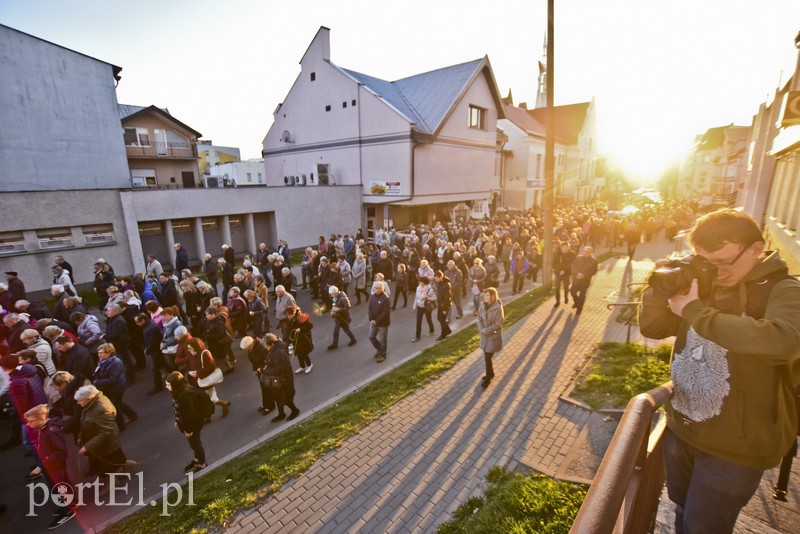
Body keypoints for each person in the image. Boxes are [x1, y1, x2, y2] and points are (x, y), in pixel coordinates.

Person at [638, 209, 800, 534]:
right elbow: (653, 326)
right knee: (682, 509)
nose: (717, 271)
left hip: (736, 449)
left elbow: (784, 340)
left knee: (704, 527)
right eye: (705, 260)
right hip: (682, 428)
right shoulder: (705, 281)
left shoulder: (784, 290)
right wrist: (661, 287)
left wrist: (696, 310)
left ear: (757, 248)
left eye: (725, 261)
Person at [24, 404, 77, 529]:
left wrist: (43, 463)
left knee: (58, 487)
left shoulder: (50, 431)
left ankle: (67, 510)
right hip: (52, 466)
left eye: (30, 421)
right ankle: (72, 502)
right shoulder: (43, 428)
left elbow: (60, 451)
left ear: (40, 418)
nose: (28, 424)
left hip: (55, 466)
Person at [74, 385, 135, 478]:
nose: (78, 403)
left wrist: (88, 446)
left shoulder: (101, 408)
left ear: (89, 398)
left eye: (80, 400)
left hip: (106, 442)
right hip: (102, 443)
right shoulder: (91, 405)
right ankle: (125, 466)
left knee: (105, 467)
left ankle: (113, 481)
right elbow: (86, 422)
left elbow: (105, 431)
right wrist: (80, 436)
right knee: (114, 459)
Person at [165, 371, 209, 474]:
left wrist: (188, 430)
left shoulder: (185, 396)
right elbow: (180, 410)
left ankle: (201, 464)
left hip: (193, 426)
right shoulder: (179, 392)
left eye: (168, 385)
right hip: (189, 426)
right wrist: (178, 421)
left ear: (175, 385)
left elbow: (190, 416)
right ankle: (197, 460)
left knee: (196, 444)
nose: (166, 387)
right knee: (193, 444)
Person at [93, 343, 138, 431]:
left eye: (101, 353)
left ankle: (121, 426)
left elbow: (113, 379)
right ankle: (132, 414)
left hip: (117, 387)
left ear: (108, 353)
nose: (99, 355)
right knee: (118, 403)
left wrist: (98, 382)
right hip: (111, 387)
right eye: (98, 353)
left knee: (115, 405)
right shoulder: (103, 361)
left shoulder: (116, 363)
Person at [259, 333, 300, 422]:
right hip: (278, 379)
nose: (265, 348)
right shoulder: (275, 349)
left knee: (286, 397)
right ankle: (281, 413)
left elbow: (278, 369)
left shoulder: (278, 353)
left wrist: (264, 370)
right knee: (278, 396)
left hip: (283, 378)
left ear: (272, 344)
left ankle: (294, 410)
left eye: (266, 346)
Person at [185, 337, 231, 417]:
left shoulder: (205, 353)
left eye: (190, 348)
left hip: (206, 380)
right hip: (201, 380)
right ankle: (221, 405)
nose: (188, 350)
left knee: (208, 399)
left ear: (195, 346)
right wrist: (192, 372)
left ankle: (222, 405)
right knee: (208, 398)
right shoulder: (193, 354)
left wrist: (197, 372)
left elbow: (211, 367)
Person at [476, 287, 504, 388]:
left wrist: (486, 331)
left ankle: (488, 378)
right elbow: (479, 319)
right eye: (485, 295)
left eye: (487, 295)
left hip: (493, 336)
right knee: (487, 356)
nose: (485, 297)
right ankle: (491, 374)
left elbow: (498, 323)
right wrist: (482, 329)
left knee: (488, 357)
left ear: (492, 296)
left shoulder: (498, 308)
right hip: (485, 335)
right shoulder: (483, 305)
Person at [569, 246, 599, 314]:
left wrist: (584, 275)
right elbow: (573, 266)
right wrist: (577, 273)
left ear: (591, 253)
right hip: (576, 279)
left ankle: (579, 308)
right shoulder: (578, 258)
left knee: (582, 295)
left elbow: (593, 271)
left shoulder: (594, 261)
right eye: (585, 251)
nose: (586, 253)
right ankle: (576, 302)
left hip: (585, 281)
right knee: (572, 291)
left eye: (588, 252)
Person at [286, 306, 314, 374]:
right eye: (287, 315)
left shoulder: (301, 317)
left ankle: (309, 364)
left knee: (303, 353)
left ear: (294, 313)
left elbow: (310, 326)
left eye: (290, 315)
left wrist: (300, 329)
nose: (288, 317)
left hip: (304, 339)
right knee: (298, 353)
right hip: (297, 339)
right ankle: (302, 366)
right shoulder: (291, 320)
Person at [327, 286, 357, 350]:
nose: (331, 296)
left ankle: (353, 339)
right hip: (339, 317)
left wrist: (338, 309)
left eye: (332, 294)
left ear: (335, 292)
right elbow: (334, 304)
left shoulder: (343, 298)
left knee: (346, 330)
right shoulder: (335, 297)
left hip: (344, 317)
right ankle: (335, 344)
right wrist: (333, 310)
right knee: (336, 331)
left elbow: (348, 307)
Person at [368, 281, 391, 363]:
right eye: (374, 288)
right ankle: (379, 348)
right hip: (373, 322)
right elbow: (370, 308)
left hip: (382, 323)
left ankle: (383, 354)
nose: (374, 289)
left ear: (381, 289)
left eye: (376, 288)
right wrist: (371, 319)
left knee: (382, 340)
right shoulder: (372, 297)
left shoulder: (385, 298)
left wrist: (376, 321)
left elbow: (385, 313)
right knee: (371, 337)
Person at [412, 276, 436, 342]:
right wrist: (414, 307)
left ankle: (432, 331)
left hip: (426, 306)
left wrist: (427, 297)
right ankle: (417, 336)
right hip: (419, 306)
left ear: (425, 282)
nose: (420, 283)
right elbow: (416, 298)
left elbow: (434, 298)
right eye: (420, 281)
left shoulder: (429, 289)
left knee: (429, 319)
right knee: (418, 321)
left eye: (421, 281)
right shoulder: (418, 288)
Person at [553, 241, 575, 307]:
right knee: (557, 288)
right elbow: (554, 262)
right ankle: (557, 301)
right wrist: (556, 269)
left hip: (566, 274)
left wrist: (564, 270)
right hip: (557, 273)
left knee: (566, 286)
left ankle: (566, 297)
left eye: (567, 247)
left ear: (569, 247)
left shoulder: (572, 254)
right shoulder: (557, 253)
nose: (565, 249)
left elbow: (571, 264)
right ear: (561, 247)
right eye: (564, 247)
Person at [433, 271, 452, 341]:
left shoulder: (447, 284)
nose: (435, 280)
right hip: (440, 304)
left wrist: (445, 309)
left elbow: (447, 298)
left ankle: (443, 334)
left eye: (436, 278)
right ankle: (448, 331)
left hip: (444, 305)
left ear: (440, 277)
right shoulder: (440, 283)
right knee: (439, 318)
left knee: (442, 319)